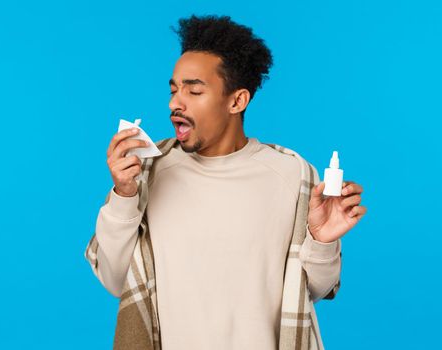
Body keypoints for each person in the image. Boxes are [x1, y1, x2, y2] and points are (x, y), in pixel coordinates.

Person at [85, 14, 366, 350]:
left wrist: (321, 241)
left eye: (194, 89)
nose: (175, 102)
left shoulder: (293, 175)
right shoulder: (146, 170)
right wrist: (123, 194)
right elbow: (117, 281)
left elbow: (316, 289)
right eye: (174, 89)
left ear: (237, 101)